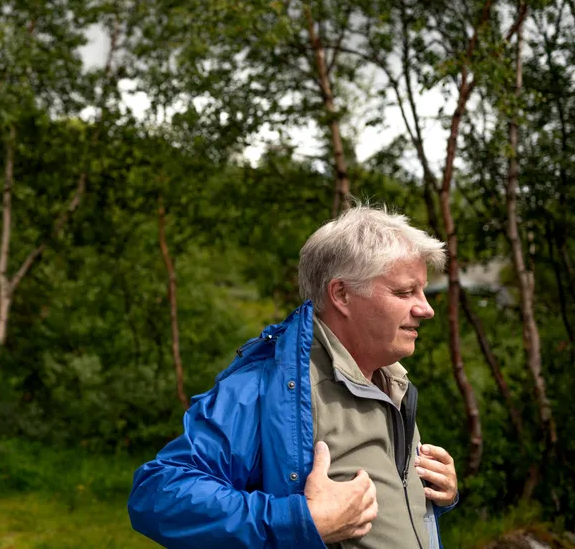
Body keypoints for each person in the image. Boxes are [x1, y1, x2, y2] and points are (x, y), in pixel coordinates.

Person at [127, 206, 459, 548]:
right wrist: (300, 522)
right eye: (405, 293)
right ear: (342, 294)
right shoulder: (266, 388)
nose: (426, 309)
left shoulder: (392, 383)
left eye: (422, 291)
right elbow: (159, 494)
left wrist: (433, 498)